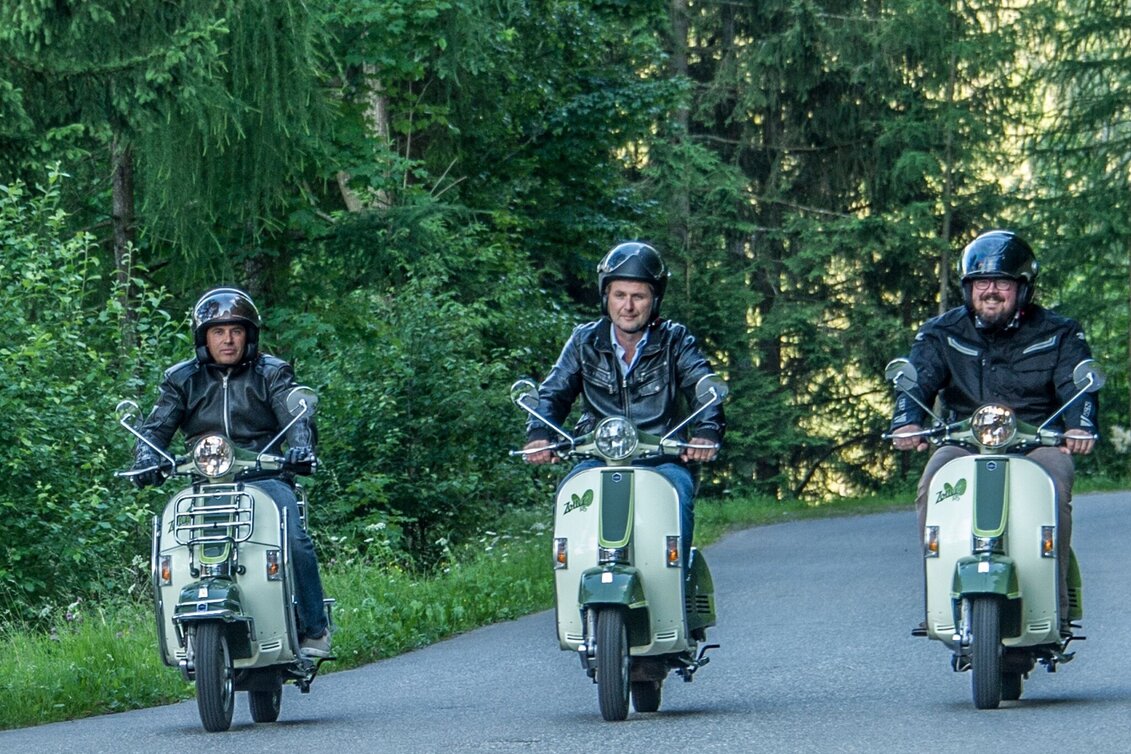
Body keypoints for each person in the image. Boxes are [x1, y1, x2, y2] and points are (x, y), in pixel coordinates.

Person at [890, 230, 1099, 633]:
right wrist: (907, 421)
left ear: (1023, 287)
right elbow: (917, 378)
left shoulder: (1059, 332)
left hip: (1037, 439)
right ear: (967, 287)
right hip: (964, 441)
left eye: (1002, 282)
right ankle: (938, 601)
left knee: (1054, 487)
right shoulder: (942, 332)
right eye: (980, 282)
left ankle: (1055, 608)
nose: (990, 291)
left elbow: (1078, 381)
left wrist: (1079, 425)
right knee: (933, 483)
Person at [130, 287, 332, 658]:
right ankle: (185, 637)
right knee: (173, 550)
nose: (227, 339)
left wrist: (301, 449)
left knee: (294, 537)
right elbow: (156, 428)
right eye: (218, 331)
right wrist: (146, 457)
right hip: (204, 484)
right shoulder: (182, 379)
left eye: (236, 331)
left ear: (248, 335)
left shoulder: (271, 373)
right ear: (203, 337)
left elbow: (295, 416)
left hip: (264, 478)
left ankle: (315, 628)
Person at [523, 242, 726, 564]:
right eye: (619, 295)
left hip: (662, 458)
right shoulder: (584, 341)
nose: (628, 306)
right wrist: (539, 433)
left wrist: (707, 432)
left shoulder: (675, 340)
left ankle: (674, 579)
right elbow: (554, 392)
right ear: (606, 296)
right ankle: (574, 574)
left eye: (638, 296)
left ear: (654, 299)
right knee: (571, 495)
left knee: (678, 494)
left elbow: (702, 384)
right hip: (597, 458)